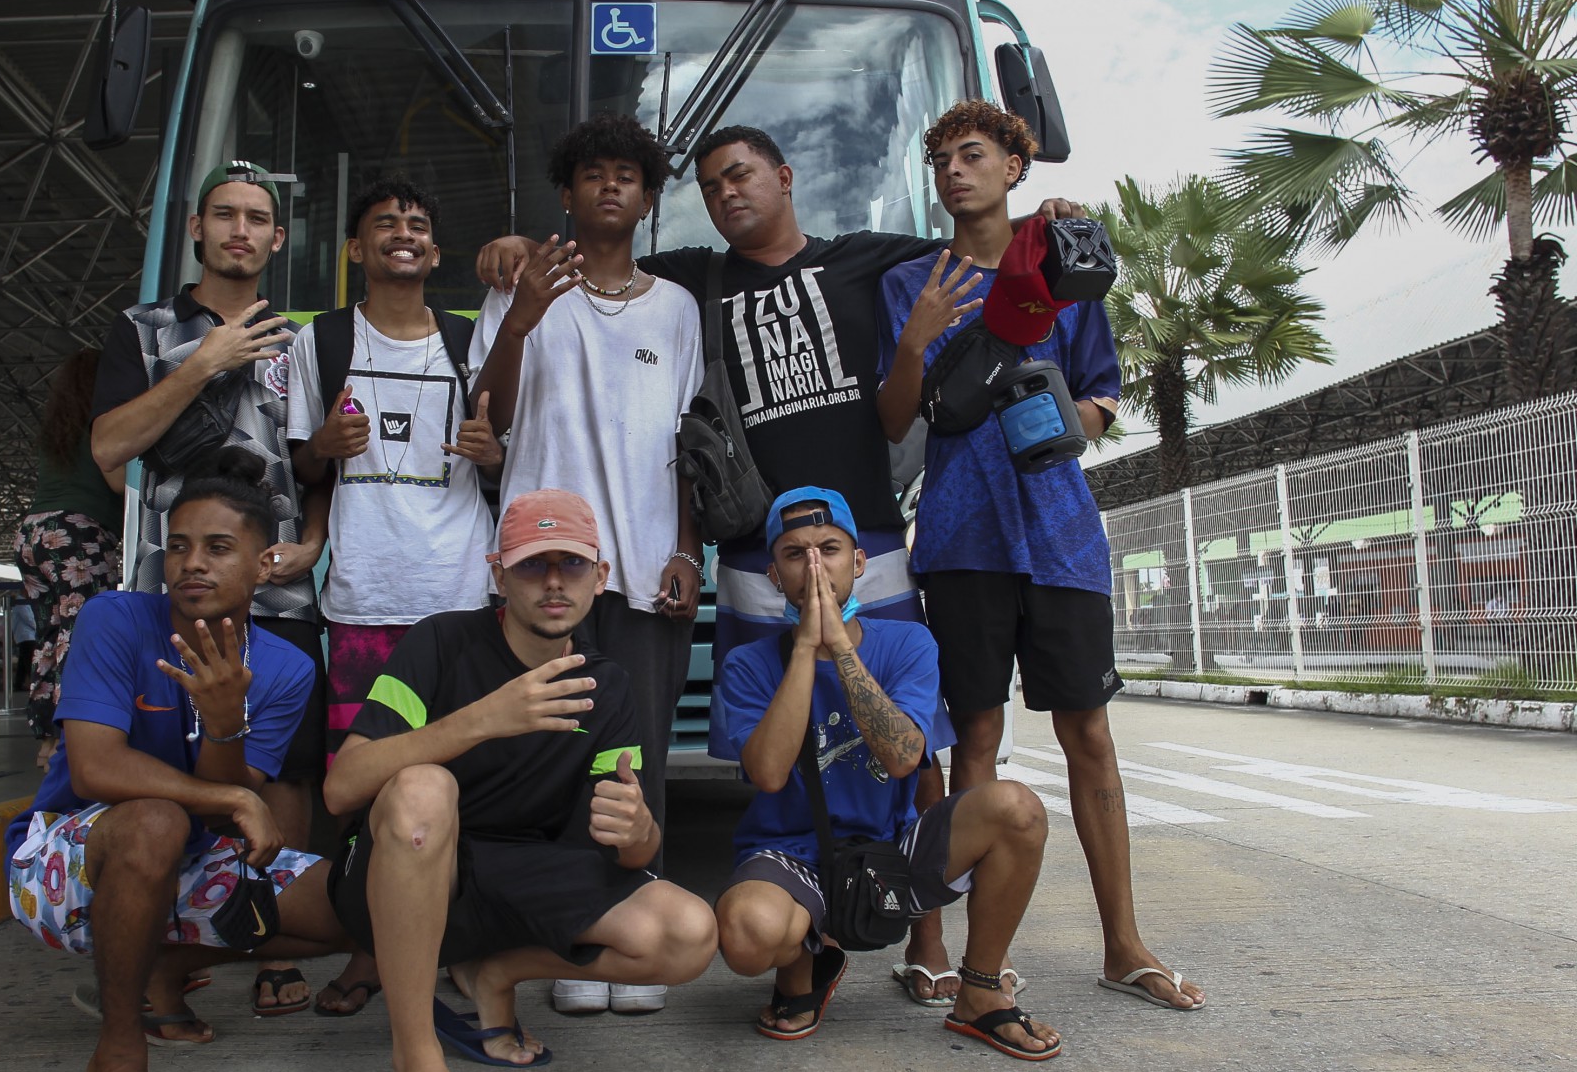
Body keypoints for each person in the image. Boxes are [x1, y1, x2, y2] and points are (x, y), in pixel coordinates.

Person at [477, 127, 1084, 696]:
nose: (726, 194)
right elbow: (605, 252)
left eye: (739, 176)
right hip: (754, 557)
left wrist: (1033, 221)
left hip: (865, 543)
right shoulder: (693, 281)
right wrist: (524, 247)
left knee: (895, 717)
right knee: (770, 729)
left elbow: (967, 250)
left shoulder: (864, 259)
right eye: (710, 189)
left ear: (786, 178)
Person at [875, 100, 1202, 1012]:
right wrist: (917, 338)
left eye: (973, 154)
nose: (954, 170)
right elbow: (895, 421)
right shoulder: (910, 282)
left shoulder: (1061, 261)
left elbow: (1102, 401)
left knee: (1089, 735)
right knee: (975, 739)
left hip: (1061, 538)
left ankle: (1124, 944)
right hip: (959, 539)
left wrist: (1057, 417)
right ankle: (974, 959)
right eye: (941, 159)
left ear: (1016, 167)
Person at [323, 489, 717, 1072]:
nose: (554, 582)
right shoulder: (440, 642)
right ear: (498, 576)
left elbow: (630, 849)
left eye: (572, 564)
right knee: (424, 790)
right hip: (408, 874)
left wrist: (638, 831)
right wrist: (481, 720)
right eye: (533, 565)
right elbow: (341, 788)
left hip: (516, 882)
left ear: (602, 576)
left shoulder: (606, 685)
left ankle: (496, 974)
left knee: (688, 933)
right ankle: (417, 1062)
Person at [4, 449, 352, 1072]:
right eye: (180, 546)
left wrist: (225, 727)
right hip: (65, 864)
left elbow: (225, 802)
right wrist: (235, 800)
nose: (193, 564)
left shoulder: (285, 667)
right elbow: (95, 769)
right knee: (155, 821)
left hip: (191, 860)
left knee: (362, 902)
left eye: (218, 548)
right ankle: (118, 1046)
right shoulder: (114, 619)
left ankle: (162, 965)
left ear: (266, 564)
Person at [472, 113, 705, 1017]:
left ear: (647, 200)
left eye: (628, 175)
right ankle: (570, 940)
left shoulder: (676, 308)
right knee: (550, 755)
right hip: (545, 570)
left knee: (638, 756)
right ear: (566, 194)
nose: (611, 185)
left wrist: (685, 548)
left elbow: (690, 443)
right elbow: (487, 419)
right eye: (593, 173)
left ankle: (635, 931)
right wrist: (521, 320)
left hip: (643, 569)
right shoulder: (523, 286)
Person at [90, 160, 330, 1018]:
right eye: (224, 214)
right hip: (176, 582)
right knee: (167, 754)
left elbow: (316, 463)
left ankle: (268, 939)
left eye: (257, 218)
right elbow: (109, 446)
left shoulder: (303, 340)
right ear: (196, 229)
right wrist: (203, 365)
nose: (240, 230)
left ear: (277, 238)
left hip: (279, 589)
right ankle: (167, 934)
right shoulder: (145, 330)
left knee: (287, 767)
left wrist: (314, 542)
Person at [711, 488, 1060, 1059]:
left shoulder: (908, 642)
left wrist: (840, 649)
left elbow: (903, 757)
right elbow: (769, 774)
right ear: (774, 575)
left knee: (1016, 808)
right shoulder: (748, 663)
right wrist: (806, 649)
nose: (815, 566)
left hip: (890, 850)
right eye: (795, 554)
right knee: (749, 935)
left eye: (829, 549)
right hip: (790, 852)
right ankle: (806, 968)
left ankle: (980, 992)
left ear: (859, 563)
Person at [283, 179, 495, 1016]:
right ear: (355, 249)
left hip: (461, 599)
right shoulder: (324, 340)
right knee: (362, 789)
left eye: (417, 225)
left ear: (435, 251)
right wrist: (324, 445)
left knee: (472, 779)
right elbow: (304, 467)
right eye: (384, 224)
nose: (403, 234)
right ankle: (370, 949)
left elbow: (509, 452)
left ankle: (465, 943)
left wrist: (491, 451)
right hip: (364, 599)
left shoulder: (471, 339)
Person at [18, 347, 124, 767]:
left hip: (34, 532)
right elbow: (118, 483)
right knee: (83, 632)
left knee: (50, 634)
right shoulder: (105, 423)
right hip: (78, 535)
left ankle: (46, 736)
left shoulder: (59, 429)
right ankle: (72, 733)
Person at [9, 595, 38, 694]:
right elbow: (28, 618)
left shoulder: (23, 602)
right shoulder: (21, 602)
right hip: (27, 636)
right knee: (29, 660)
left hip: (24, 636)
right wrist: (38, 627)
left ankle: (18, 683)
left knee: (22, 662)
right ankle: (33, 683)